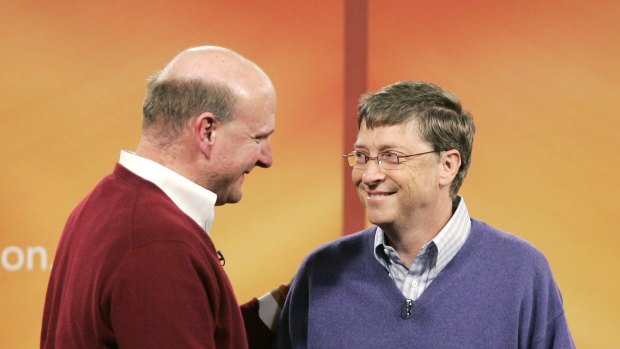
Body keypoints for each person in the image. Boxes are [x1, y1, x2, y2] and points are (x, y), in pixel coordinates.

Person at [276, 81, 575, 348]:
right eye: (363, 157)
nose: (369, 175)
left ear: (447, 166)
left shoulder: (521, 271)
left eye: (392, 157)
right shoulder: (321, 272)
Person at [41, 46, 286, 348]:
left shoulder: (105, 206)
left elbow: (183, 330)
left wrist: (289, 304)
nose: (267, 158)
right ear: (207, 131)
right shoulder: (157, 244)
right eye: (259, 138)